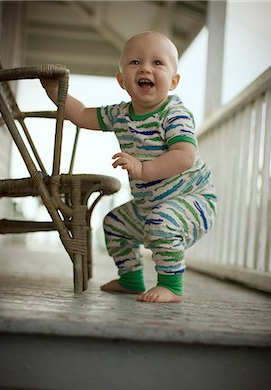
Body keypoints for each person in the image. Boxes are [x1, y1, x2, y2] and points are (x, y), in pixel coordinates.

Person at [41, 31, 217, 303]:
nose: (146, 67)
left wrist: (143, 169)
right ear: (122, 80)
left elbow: (185, 156)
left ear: (173, 81)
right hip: (149, 204)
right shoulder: (120, 114)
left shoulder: (173, 113)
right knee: (114, 224)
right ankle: (131, 279)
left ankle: (171, 285)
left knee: (163, 222)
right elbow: (81, 115)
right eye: (135, 62)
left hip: (192, 200)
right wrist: (54, 92)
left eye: (157, 63)